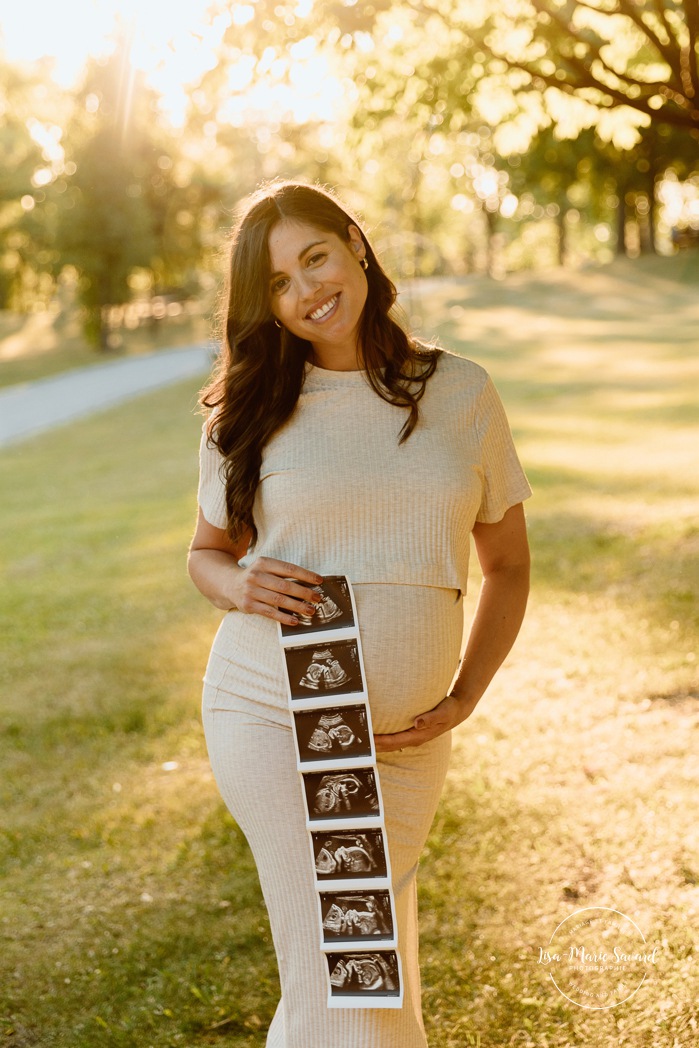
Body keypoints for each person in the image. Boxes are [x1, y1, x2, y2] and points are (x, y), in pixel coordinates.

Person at [187, 180, 531, 1047]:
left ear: (354, 244)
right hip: (279, 704)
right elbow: (205, 555)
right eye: (276, 284)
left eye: (314, 258)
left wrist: (466, 696)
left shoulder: (460, 392)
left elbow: (508, 567)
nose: (306, 291)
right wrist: (238, 584)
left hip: (409, 738)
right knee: (342, 982)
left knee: (377, 988)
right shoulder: (253, 407)